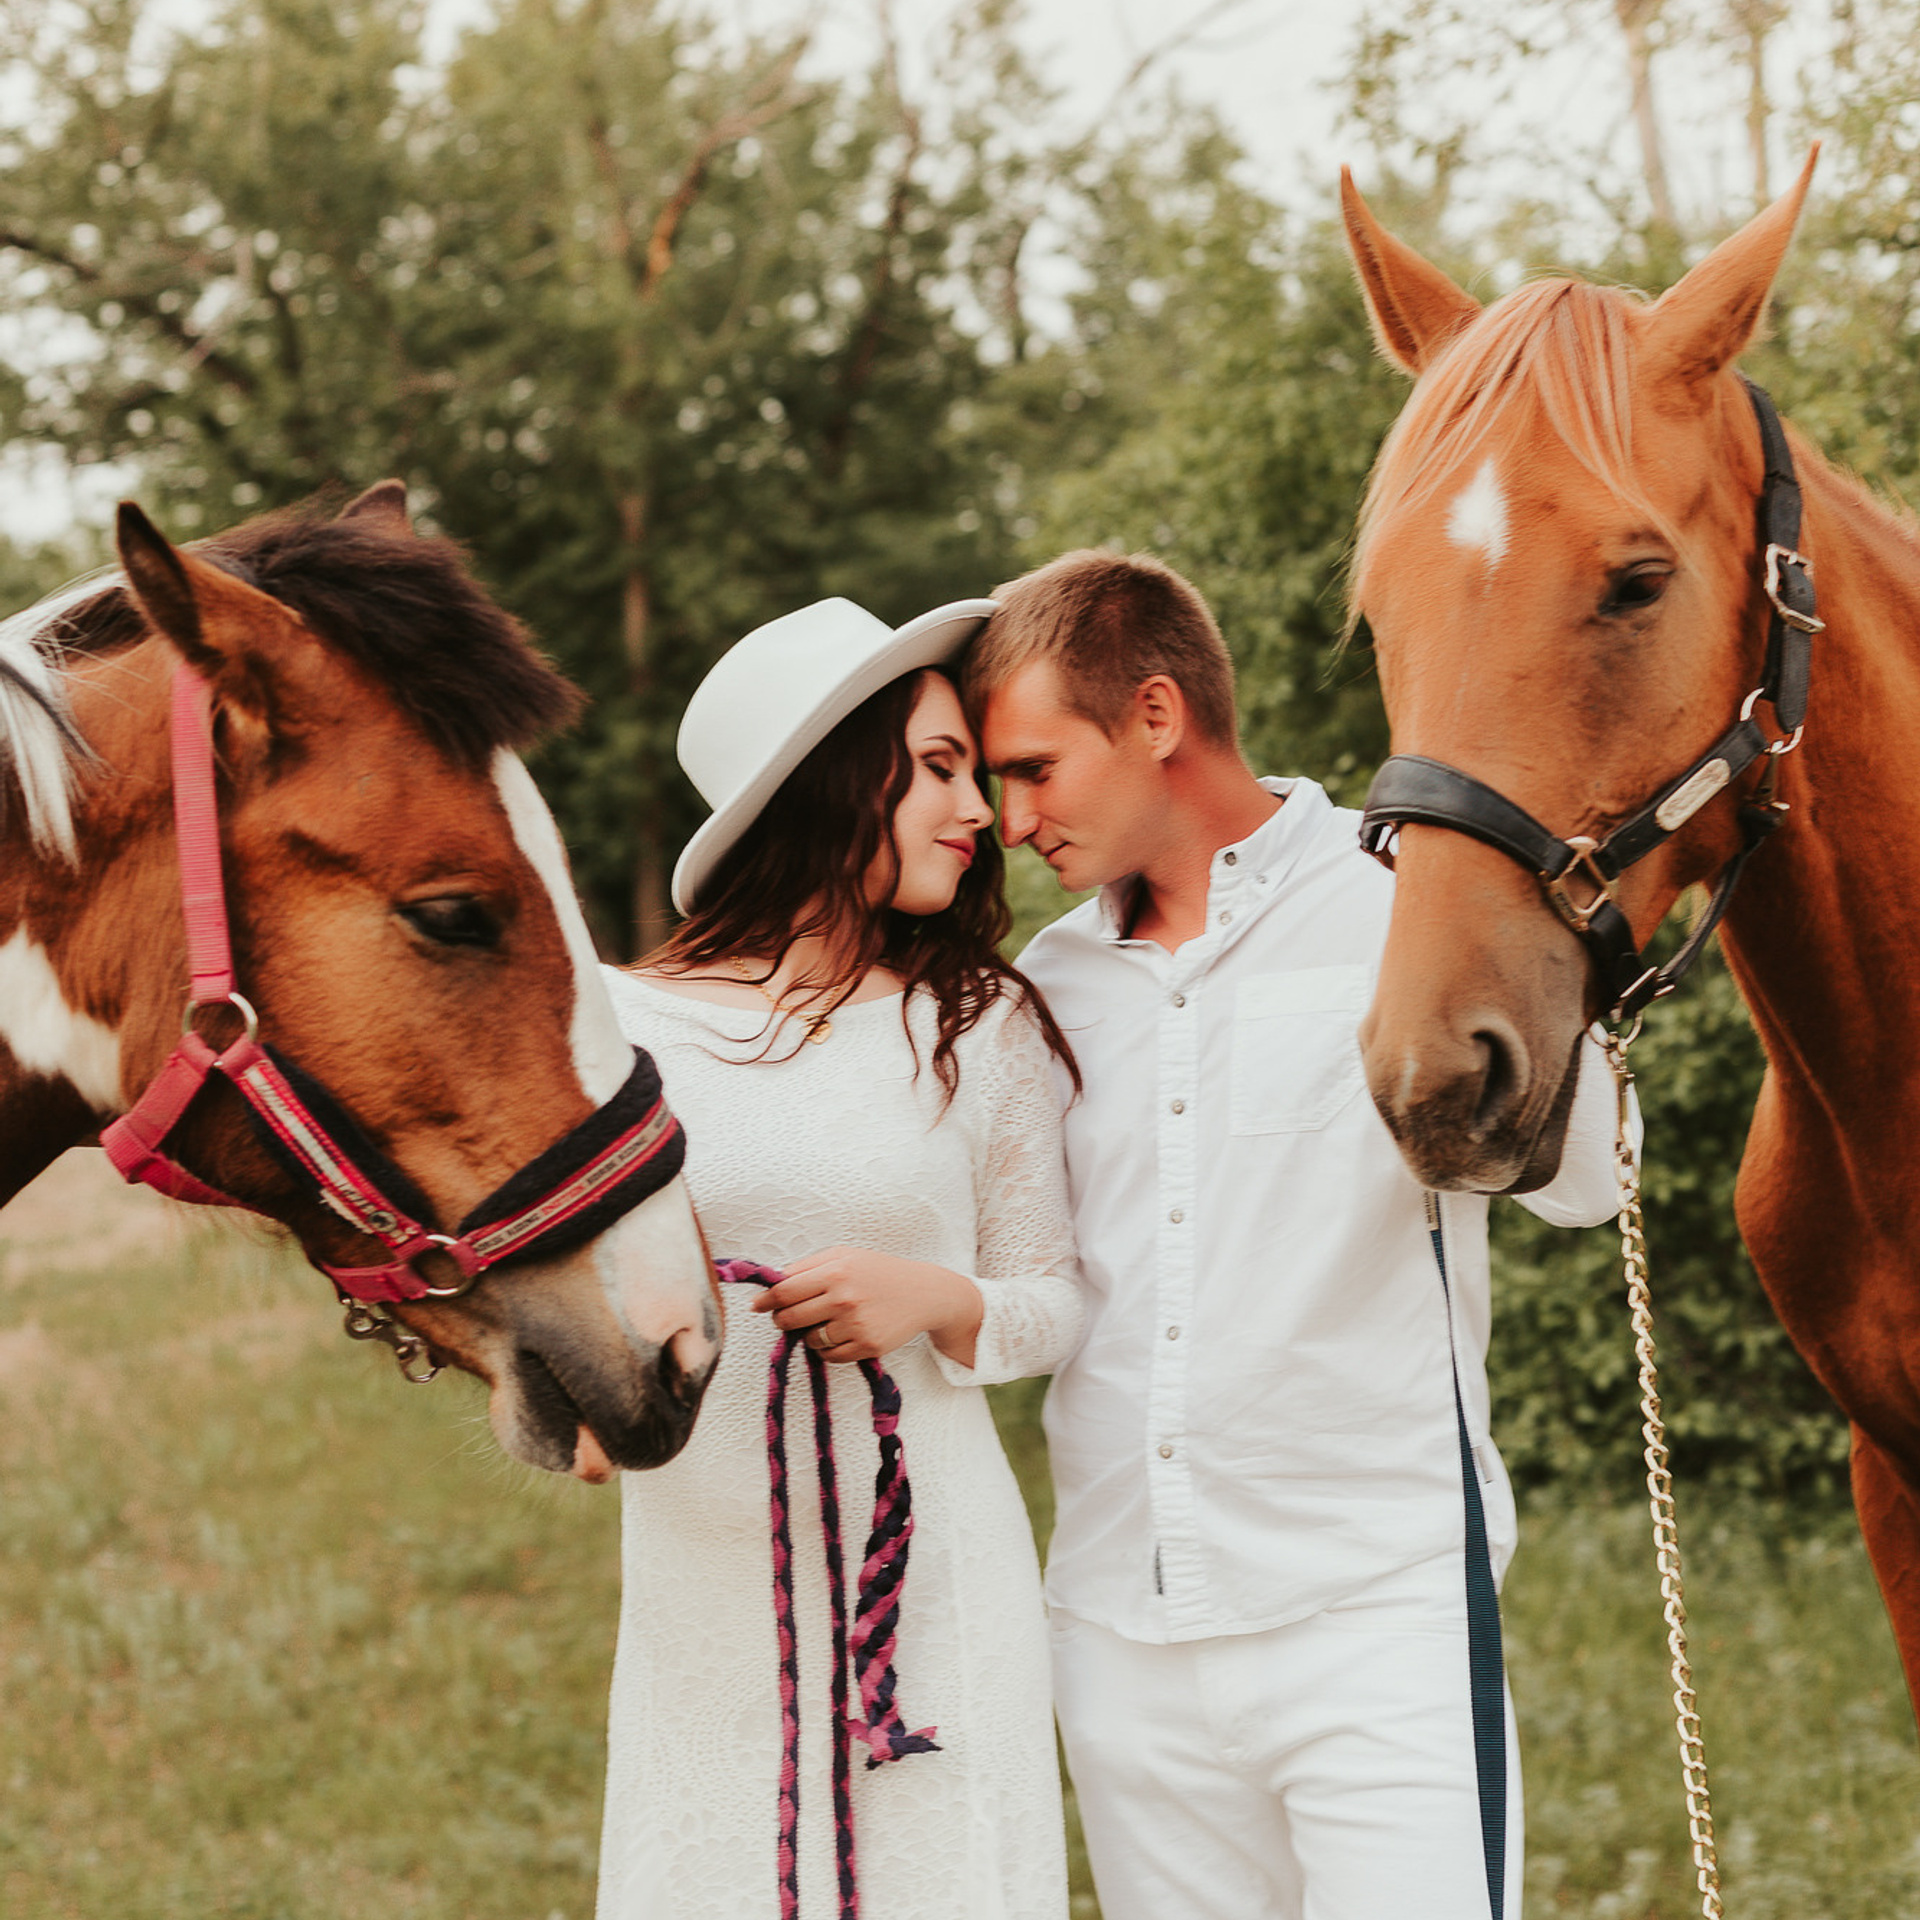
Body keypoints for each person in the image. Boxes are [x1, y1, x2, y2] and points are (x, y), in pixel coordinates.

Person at [965, 549, 1633, 1920]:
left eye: (1034, 769)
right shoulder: (1047, 988)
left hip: (1375, 1625)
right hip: (1118, 1633)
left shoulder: (1404, 902)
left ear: (1156, 718)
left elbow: (1594, 1181)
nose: (1010, 816)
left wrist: (1509, 977)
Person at [594, 595, 1082, 1920]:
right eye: (935, 770)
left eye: (971, 771)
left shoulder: (979, 1021)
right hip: (710, 1581)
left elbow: (1053, 1303)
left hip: (935, 1574)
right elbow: (570, 1308)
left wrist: (933, 1297)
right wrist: (606, 1386)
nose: (979, 811)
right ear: (825, 780)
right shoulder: (621, 1027)